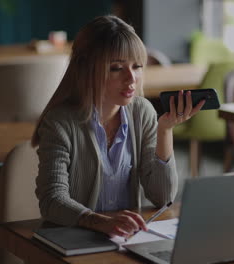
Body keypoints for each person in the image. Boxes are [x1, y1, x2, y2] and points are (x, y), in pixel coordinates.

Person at [31, 15, 204, 238]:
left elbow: (163, 198)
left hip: (122, 240)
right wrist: (99, 222)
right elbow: (52, 200)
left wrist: (165, 130)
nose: (131, 78)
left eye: (137, 66)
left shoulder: (142, 112)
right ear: (86, 69)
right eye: (116, 68)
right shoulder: (60, 122)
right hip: (74, 240)